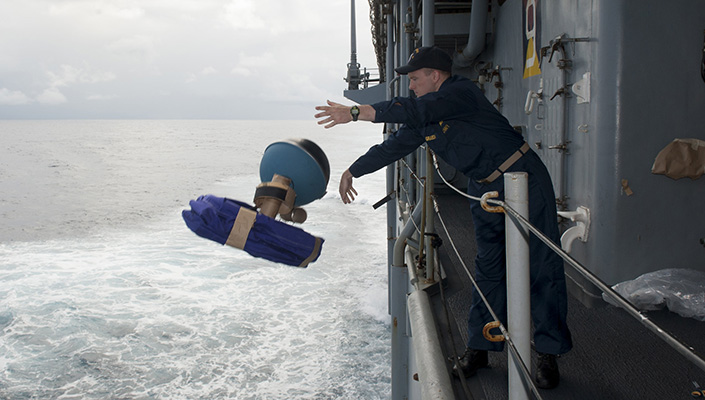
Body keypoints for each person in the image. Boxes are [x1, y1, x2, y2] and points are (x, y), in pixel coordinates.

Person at [314, 46, 572, 389]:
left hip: (523, 179)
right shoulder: (426, 116)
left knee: (541, 268)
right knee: (489, 269)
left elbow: (416, 108)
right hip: (485, 190)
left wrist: (357, 111)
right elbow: (395, 146)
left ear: (435, 75)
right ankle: (480, 347)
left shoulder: (460, 93)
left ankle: (548, 354)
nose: (412, 86)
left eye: (416, 79)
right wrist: (353, 171)